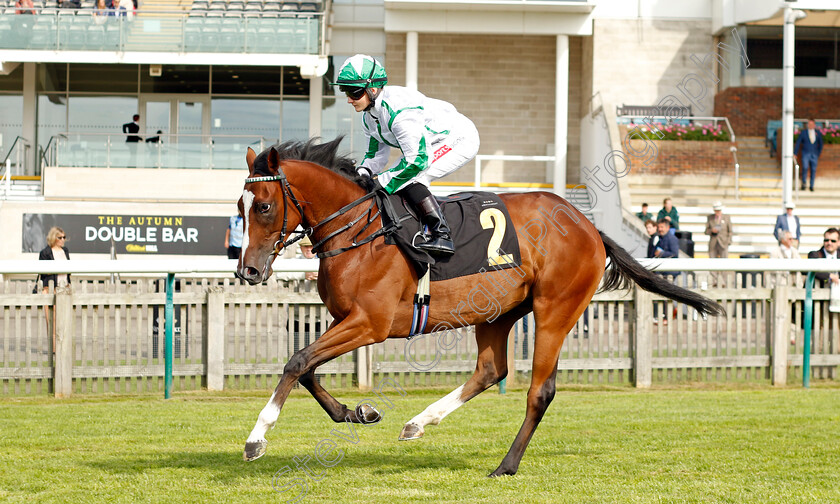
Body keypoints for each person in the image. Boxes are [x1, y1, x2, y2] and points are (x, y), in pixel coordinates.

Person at [332, 54, 480, 256]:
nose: (349, 99)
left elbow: (417, 161)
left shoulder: (399, 112)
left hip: (458, 138)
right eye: (345, 91)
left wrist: (379, 182)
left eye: (354, 92)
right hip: (430, 143)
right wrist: (361, 177)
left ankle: (441, 234)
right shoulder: (369, 117)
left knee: (413, 176)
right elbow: (376, 156)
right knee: (396, 177)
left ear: (372, 89)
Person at [36, 227, 71, 351]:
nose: (62, 240)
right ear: (53, 238)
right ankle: (54, 349)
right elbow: (43, 272)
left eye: (64, 237)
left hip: (64, 288)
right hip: (50, 288)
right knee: (52, 320)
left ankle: (63, 347)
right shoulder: (45, 252)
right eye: (59, 237)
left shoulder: (65, 251)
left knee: (64, 320)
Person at [704, 201, 732, 287]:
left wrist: (728, 241)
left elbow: (730, 231)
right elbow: (706, 231)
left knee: (724, 262)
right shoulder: (710, 218)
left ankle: (723, 281)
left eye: (719, 210)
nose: (718, 212)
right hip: (713, 242)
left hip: (723, 243)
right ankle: (715, 280)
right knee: (712, 262)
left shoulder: (726, 218)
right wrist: (711, 231)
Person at [795, 119, 823, 192]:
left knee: (813, 169)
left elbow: (820, 144)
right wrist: (795, 153)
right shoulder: (803, 132)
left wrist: (818, 153)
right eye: (809, 124)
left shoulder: (817, 133)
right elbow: (798, 143)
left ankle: (811, 185)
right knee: (805, 167)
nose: (810, 125)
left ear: (814, 125)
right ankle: (804, 183)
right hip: (806, 153)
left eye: (812, 124)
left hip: (814, 154)